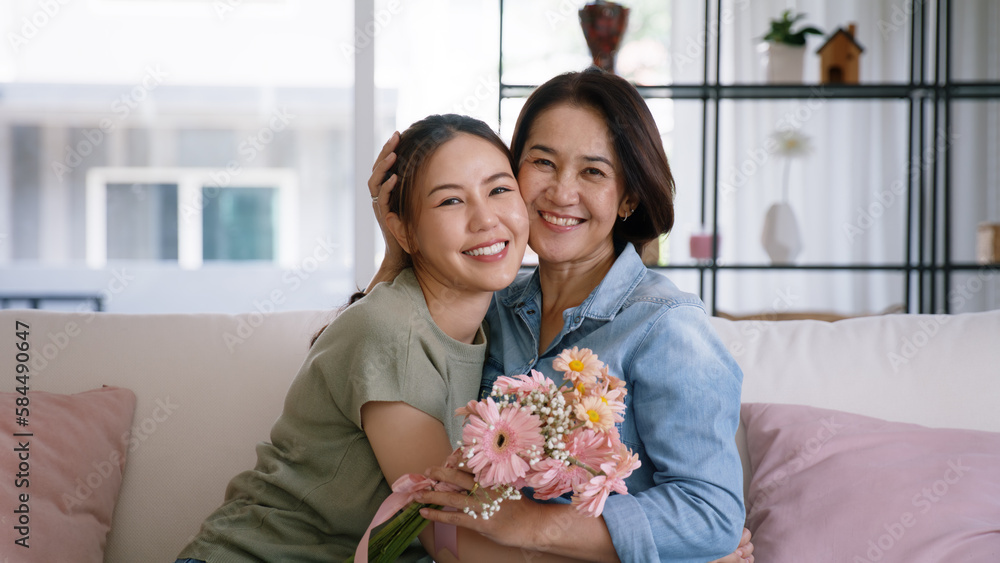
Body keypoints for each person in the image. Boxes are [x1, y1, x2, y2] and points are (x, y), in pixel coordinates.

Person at [366, 68, 753, 563]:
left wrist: (532, 525)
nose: (561, 192)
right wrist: (400, 245)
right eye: (542, 162)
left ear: (629, 197)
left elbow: (711, 515)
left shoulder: (665, 326)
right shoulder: (490, 306)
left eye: (593, 171)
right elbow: (359, 365)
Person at [175, 114, 556, 562]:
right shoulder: (390, 330)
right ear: (403, 230)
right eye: (451, 201)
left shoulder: (502, 321)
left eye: (498, 189)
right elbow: (446, 537)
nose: (485, 219)